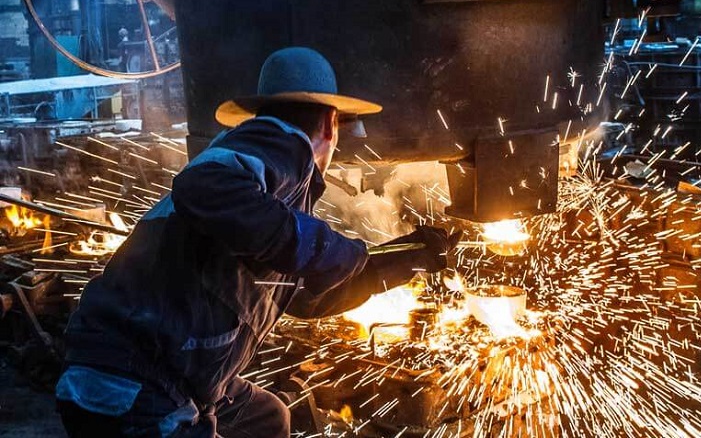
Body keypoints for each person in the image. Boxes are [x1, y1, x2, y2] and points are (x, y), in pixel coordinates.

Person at [55, 47, 460, 437]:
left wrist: (404, 260)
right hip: (133, 382)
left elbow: (303, 294)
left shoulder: (267, 197)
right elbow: (204, 186)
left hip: (151, 370)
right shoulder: (279, 142)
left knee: (265, 419)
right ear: (330, 124)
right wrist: (332, 249)